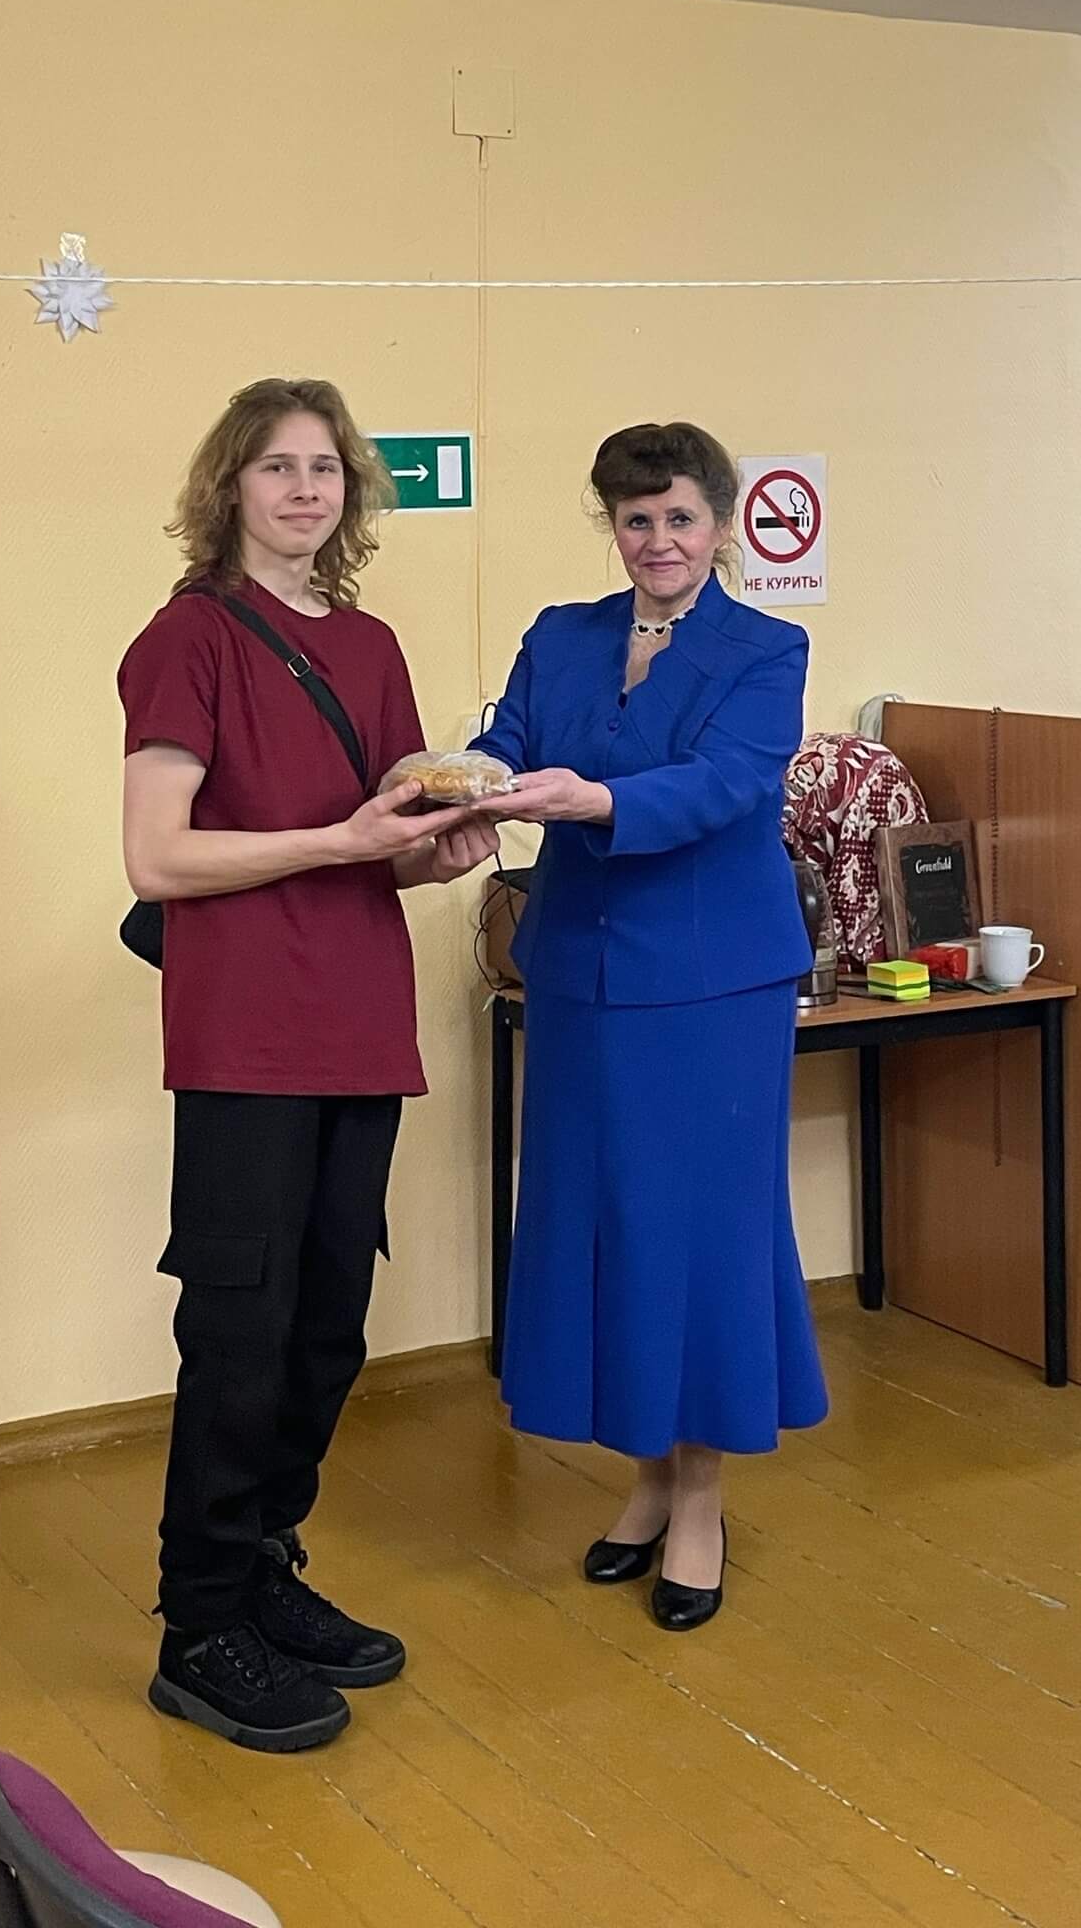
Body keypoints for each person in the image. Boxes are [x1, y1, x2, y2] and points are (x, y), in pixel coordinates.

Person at [119, 378, 495, 1752]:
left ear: (352, 490)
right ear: (229, 485)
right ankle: (199, 1626)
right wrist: (342, 843)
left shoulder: (372, 645)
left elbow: (383, 841)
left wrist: (440, 848)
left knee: (329, 1323)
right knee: (240, 1331)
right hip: (243, 1035)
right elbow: (157, 856)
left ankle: (266, 1565)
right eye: (276, 467)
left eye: (325, 468)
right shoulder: (189, 638)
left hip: (357, 1026)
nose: (303, 490)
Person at [472, 421, 827, 1630]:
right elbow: (510, 742)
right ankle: (647, 1476)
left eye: (679, 518)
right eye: (636, 520)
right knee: (612, 1222)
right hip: (581, 969)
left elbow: (726, 783)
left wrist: (592, 799)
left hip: (715, 983)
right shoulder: (560, 636)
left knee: (704, 1233)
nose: (658, 540)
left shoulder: (765, 648)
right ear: (612, 527)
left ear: (719, 526)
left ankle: (701, 1501)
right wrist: (465, 781)